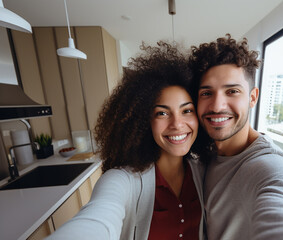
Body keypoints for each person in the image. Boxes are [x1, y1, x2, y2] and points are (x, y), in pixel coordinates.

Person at [46, 42, 205, 240]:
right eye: (162, 113)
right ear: (144, 121)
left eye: (186, 110)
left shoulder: (203, 172)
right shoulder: (123, 180)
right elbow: (98, 219)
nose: (177, 124)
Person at [189, 34, 283, 239]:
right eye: (206, 93)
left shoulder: (271, 166)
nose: (217, 106)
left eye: (232, 91)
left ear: (253, 97)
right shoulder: (207, 154)